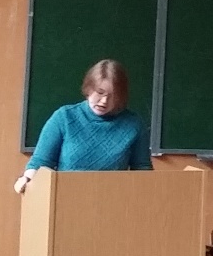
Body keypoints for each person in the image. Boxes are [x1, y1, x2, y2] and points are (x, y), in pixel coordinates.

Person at [13, 59, 153, 193]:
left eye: (112, 96)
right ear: (89, 88)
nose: (104, 101)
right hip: (64, 198)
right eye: (100, 93)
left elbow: (143, 171)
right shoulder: (64, 117)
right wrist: (26, 179)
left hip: (113, 200)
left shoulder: (134, 124)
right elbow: (40, 162)